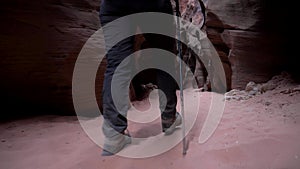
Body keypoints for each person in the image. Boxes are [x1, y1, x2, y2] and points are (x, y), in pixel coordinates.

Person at [99, 0, 182, 156]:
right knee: (164, 58)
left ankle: (114, 134)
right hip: (152, 5)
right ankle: (168, 117)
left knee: (117, 66)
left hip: (114, 6)